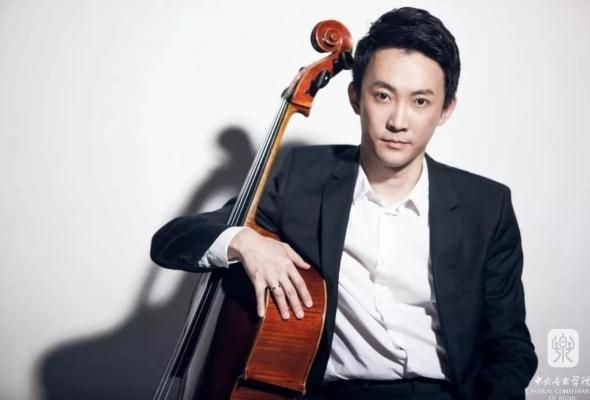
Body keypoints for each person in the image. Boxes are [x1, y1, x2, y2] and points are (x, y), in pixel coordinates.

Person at [151, 7, 537, 400]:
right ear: (355, 97)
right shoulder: (301, 177)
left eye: (420, 102)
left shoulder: (486, 207)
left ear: (445, 110)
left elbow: (510, 349)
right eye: (382, 96)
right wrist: (243, 241)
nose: (398, 121)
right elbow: (173, 239)